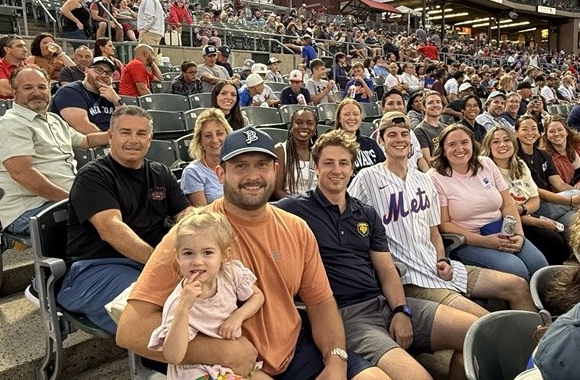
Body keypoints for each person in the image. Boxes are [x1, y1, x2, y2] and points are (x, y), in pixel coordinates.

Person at [117, 127, 389, 380]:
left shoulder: (296, 228)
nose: (253, 176)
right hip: (227, 366)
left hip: (295, 350)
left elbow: (320, 302)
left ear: (275, 170)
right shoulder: (192, 235)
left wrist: (335, 361)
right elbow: (131, 329)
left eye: (261, 165)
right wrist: (220, 351)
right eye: (240, 166)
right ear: (220, 173)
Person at [277, 129, 477, 379]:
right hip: (346, 316)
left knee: (475, 332)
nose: (336, 170)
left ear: (352, 169)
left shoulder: (366, 213)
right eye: (328, 163)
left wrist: (400, 310)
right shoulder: (294, 209)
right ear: (316, 167)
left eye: (343, 163)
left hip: (382, 303)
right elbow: (249, 214)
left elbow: (385, 269)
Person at [351, 112, 534, 317]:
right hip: (409, 276)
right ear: (381, 140)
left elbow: (434, 232)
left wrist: (442, 259)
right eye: (392, 135)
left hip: (439, 267)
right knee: (483, 320)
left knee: (518, 285)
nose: (399, 139)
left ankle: (539, 346)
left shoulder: (423, 180)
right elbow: (344, 219)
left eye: (404, 134)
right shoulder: (367, 178)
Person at [58, 106, 191, 334]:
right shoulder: (94, 176)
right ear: (110, 137)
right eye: (125, 132)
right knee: (160, 311)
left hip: (146, 263)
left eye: (141, 134)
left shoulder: (160, 173)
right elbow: (111, 228)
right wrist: (161, 262)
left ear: (150, 139)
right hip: (97, 268)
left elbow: (185, 213)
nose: (133, 140)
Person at [147, 209, 271, 380]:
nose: (197, 261)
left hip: (230, 364)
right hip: (197, 371)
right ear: (178, 257)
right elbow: (173, 356)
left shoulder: (230, 274)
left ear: (224, 255)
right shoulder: (179, 302)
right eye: (188, 253)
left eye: (208, 252)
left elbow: (257, 297)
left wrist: (237, 317)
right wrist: (184, 308)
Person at [0, 66, 108, 237]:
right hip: (30, 210)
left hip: (63, 201)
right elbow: (23, 173)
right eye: (28, 88)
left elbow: (86, 141)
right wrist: (73, 201)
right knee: (105, 226)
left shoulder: (54, 120)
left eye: (42, 87)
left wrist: (116, 135)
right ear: (14, 93)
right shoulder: (10, 125)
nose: (37, 92)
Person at [430, 124, 548, 281]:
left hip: (503, 231)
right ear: (443, 150)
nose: (460, 148)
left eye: (465, 142)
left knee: (540, 265)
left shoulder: (486, 164)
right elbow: (444, 224)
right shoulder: (435, 177)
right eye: (452, 144)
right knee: (516, 269)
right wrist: (484, 241)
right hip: (468, 240)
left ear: (473, 144)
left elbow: (507, 205)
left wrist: (519, 235)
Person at [482, 127, 570, 265]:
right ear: (488, 146)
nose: (502, 145)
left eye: (506, 140)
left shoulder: (521, 165)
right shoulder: (485, 171)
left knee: (564, 234)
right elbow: (503, 212)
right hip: (508, 223)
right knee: (554, 240)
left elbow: (535, 199)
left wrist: (523, 209)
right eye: (496, 142)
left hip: (527, 213)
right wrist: (538, 222)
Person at [514, 116, 580, 228]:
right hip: (533, 206)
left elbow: (559, 184)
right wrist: (570, 200)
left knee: (578, 221)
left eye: (533, 128)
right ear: (516, 133)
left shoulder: (543, 155)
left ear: (539, 132)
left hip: (552, 203)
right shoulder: (515, 159)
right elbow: (535, 191)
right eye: (525, 129)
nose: (530, 132)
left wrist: (579, 195)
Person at [50, 56, 121, 132]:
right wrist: (115, 140)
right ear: (86, 71)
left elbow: (128, 122)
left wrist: (117, 101)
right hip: (89, 142)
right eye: (99, 70)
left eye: (108, 73)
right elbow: (84, 129)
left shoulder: (110, 95)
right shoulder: (69, 92)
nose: (104, 75)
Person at [180, 109, 231, 207]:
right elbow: (203, 216)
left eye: (220, 134)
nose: (215, 140)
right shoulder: (193, 172)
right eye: (208, 136)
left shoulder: (237, 165)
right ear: (200, 141)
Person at [540, 118, 580, 192]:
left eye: (560, 130)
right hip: (567, 195)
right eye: (551, 131)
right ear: (546, 136)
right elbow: (557, 186)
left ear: (567, 132)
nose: (556, 134)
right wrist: (579, 193)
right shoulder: (545, 156)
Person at [273, 107, 318, 199]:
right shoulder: (281, 150)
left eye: (309, 123)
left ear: (315, 127)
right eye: (299, 123)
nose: (304, 127)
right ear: (292, 126)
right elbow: (277, 191)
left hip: (317, 207)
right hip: (289, 206)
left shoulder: (319, 152)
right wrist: (301, 206)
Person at [333, 99, 385, 172]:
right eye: (346, 114)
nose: (351, 118)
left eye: (356, 114)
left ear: (360, 118)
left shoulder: (371, 143)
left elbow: (383, 169)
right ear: (339, 118)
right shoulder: (332, 145)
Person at [0, 35, 31, 99]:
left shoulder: (30, 68)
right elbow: (5, 90)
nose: (25, 50)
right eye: (20, 46)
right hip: (6, 106)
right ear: (7, 49)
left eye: (25, 46)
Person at [412, 90, 446, 166]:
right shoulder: (419, 131)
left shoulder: (446, 128)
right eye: (430, 103)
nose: (435, 105)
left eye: (438, 102)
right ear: (424, 107)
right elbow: (428, 160)